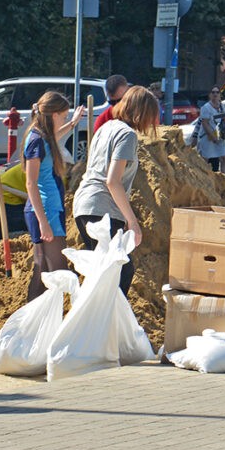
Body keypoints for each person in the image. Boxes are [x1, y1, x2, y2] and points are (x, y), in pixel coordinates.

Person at [72, 86, 160, 297]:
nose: (152, 122)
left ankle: (96, 314)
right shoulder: (127, 135)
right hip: (102, 210)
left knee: (103, 274)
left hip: (84, 204)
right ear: (142, 113)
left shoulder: (106, 127)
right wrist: (132, 221)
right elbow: (113, 181)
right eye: (151, 116)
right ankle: (102, 316)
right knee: (120, 271)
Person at [23, 91, 84, 302]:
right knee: (59, 271)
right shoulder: (36, 141)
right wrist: (43, 222)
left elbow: (55, 137)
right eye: (64, 116)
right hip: (45, 210)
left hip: (48, 207)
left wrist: (73, 123)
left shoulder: (42, 137)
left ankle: (31, 318)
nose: (64, 120)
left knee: (43, 270)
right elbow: (30, 183)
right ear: (54, 114)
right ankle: (43, 317)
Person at [195, 87, 225, 172]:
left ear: (220, 95)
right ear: (210, 95)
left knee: (224, 158)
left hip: (219, 137)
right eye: (213, 92)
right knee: (205, 160)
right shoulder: (206, 108)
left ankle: (224, 179)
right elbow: (205, 123)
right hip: (208, 138)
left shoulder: (222, 106)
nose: (215, 94)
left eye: (217, 92)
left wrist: (224, 131)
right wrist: (213, 137)